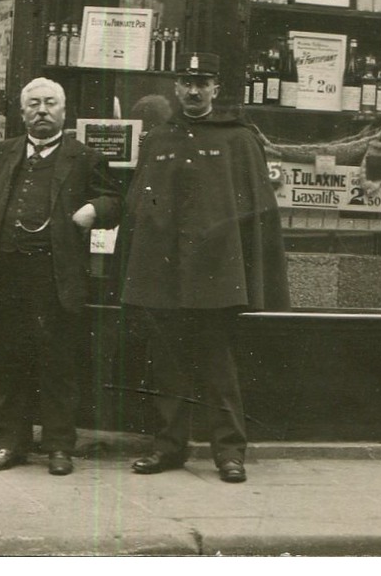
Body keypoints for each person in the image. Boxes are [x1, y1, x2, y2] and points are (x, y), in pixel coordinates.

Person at [121, 52, 289, 484]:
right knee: (167, 365)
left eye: (203, 82)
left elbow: (256, 213)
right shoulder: (158, 138)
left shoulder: (237, 139)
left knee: (218, 366)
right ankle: (168, 447)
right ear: (175, 86)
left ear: (216, 88)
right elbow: (140, 204)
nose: (194, 90)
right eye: (186, 81)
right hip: (164, 272)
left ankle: (229, 453)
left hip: (215, 274)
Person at [0, 77, 119, 478]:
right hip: (7, 273)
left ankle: (60, 448)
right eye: (34, 104)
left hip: (55, 276)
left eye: (50, 103)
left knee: (58, 362)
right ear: (22, 112)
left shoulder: (84, 156)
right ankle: (12, 444)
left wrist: (92, 210)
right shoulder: (3, 152)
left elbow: (115, 199)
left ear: (64, 112)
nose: (42, 110)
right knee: (9, 362)